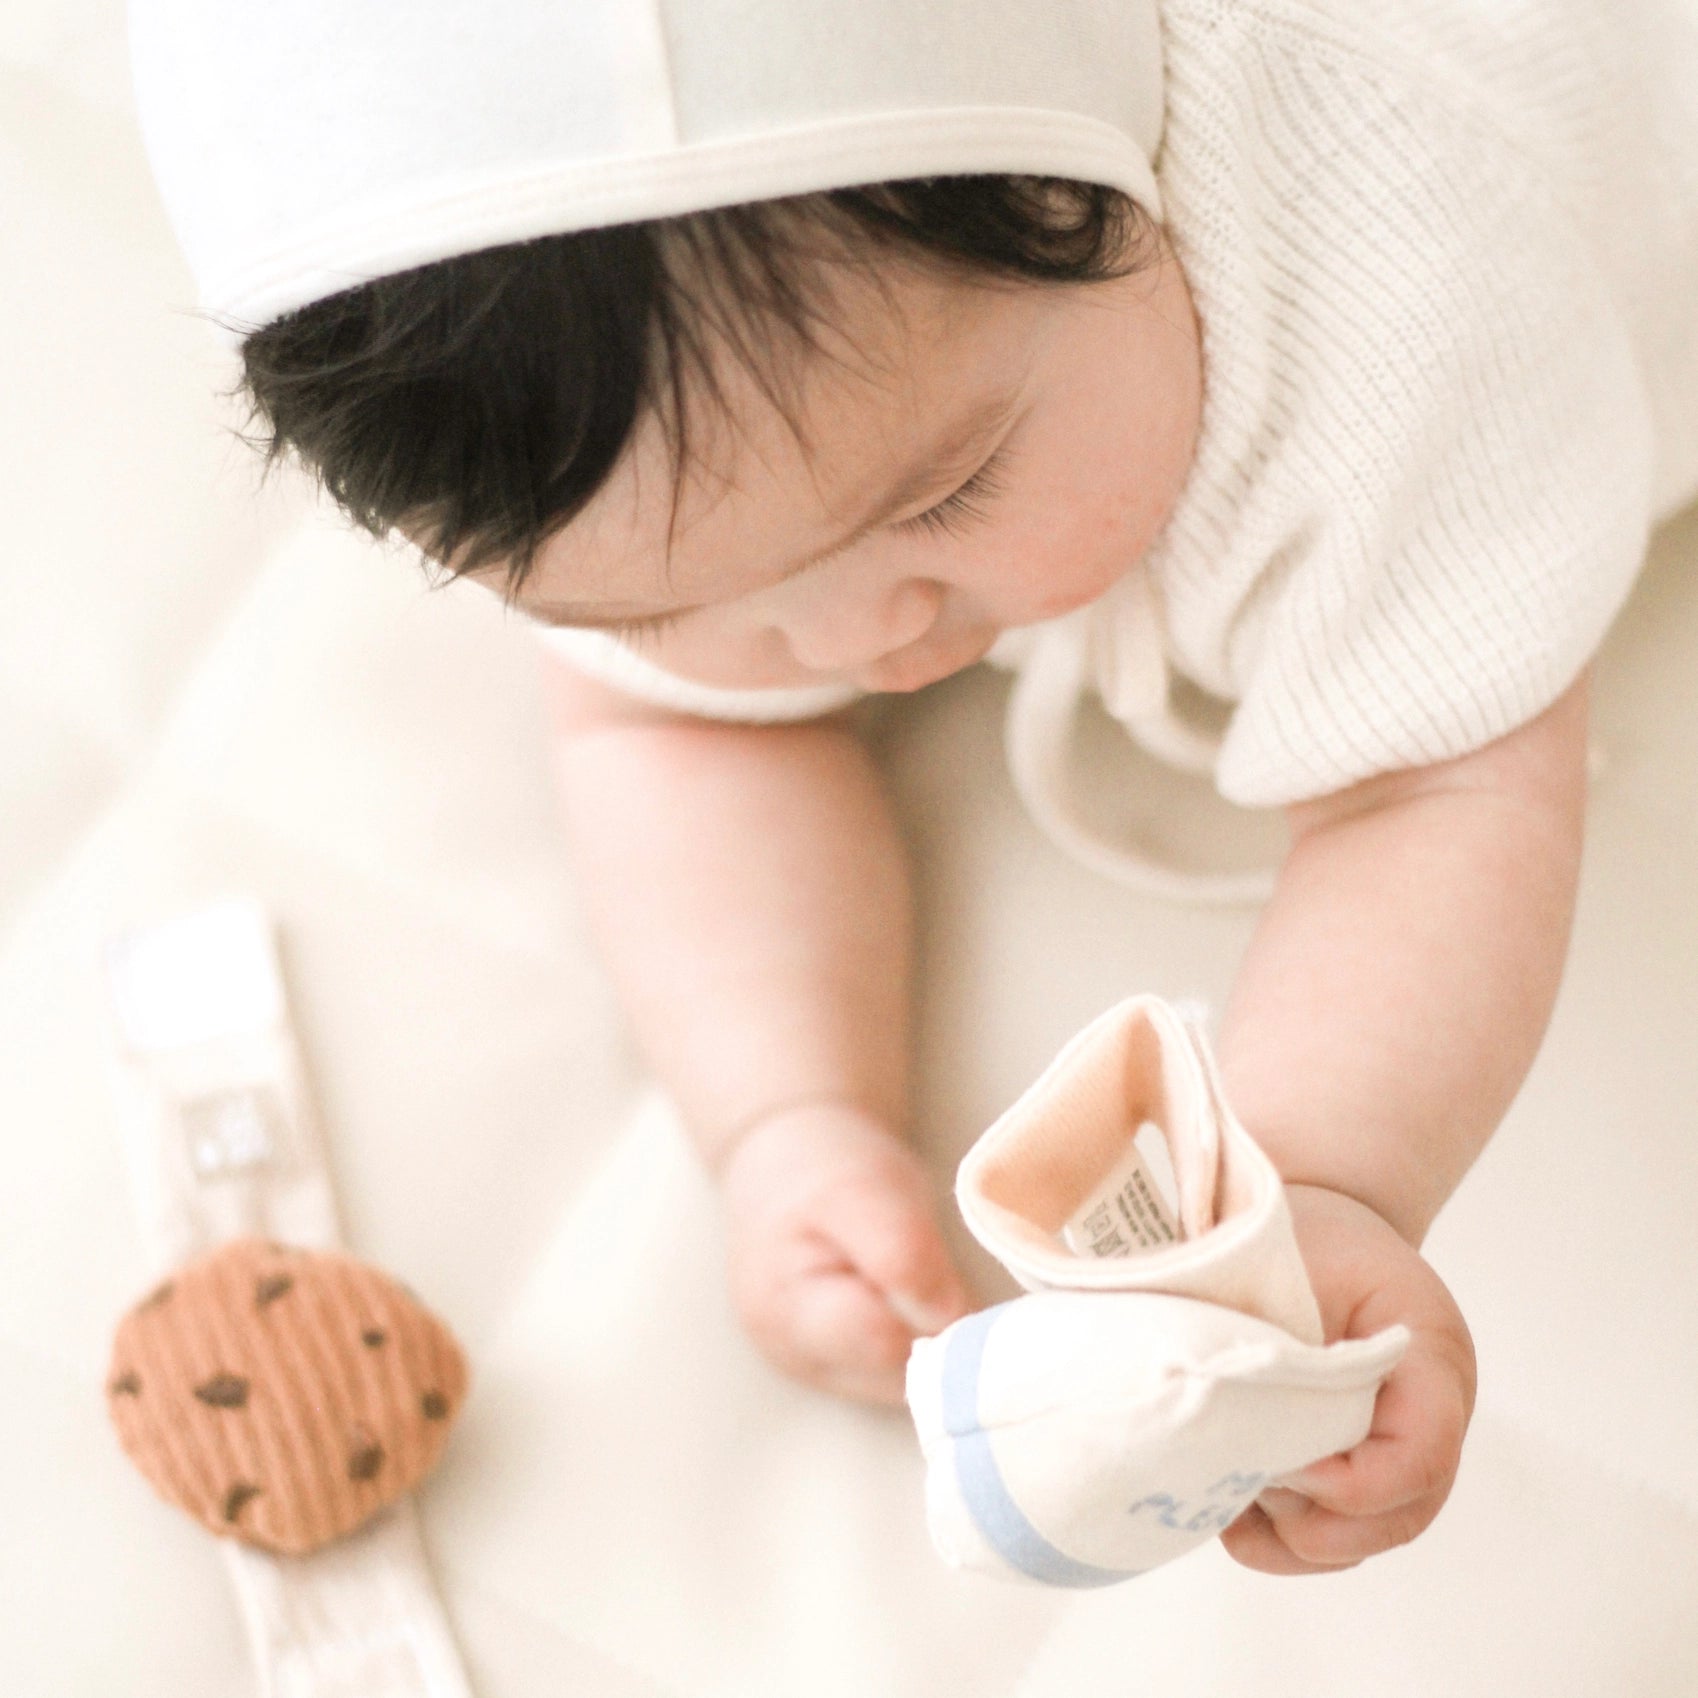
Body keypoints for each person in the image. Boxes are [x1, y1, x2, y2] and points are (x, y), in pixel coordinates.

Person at [129, 0, 1698, 1576]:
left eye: (945, 490)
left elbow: (1433, 789)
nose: (856, 638)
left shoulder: (1392, 298)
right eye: (660, 605)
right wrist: (785, 1113)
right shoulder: (608, 445)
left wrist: (1306, 1201)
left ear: (1101, 183)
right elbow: (660, 732)